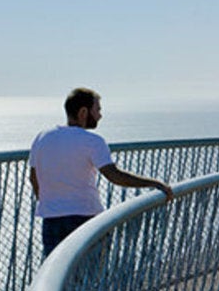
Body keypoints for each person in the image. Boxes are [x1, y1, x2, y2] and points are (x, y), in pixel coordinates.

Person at [28, 88, 174, 258]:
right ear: (83, 112)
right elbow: (114, 175)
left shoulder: (42, 137)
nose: (100, 115)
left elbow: (34, 177)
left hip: (51, 220)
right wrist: (154, 183)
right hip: (84, 218)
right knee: (90, 277)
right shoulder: (92, 141)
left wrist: (51, 202)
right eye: (97, 110)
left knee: (58, 277)